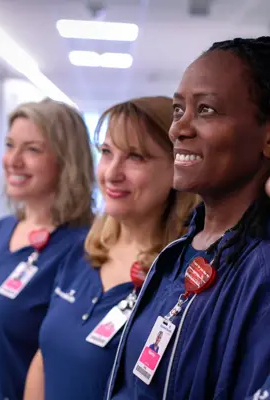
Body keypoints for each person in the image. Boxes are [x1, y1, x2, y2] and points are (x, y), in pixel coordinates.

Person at [105, 36, 270, 400]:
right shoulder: (179, 252)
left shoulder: (261, 273)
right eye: (179, 110)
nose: (178, 128)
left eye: (207, 109)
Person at [23, 97, 199, 400]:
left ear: (175, 168)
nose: (112, 173)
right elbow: (44, 359)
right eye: (106, 152)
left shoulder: (181, 278)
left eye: (136, 157)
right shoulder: (83, 251)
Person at [0, 98, 95, 400]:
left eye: (32, 149)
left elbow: (62, 361)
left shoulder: (82, 250)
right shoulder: (2, 229)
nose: (13, 160)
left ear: (66, 161)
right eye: (9, 145)